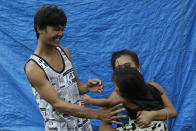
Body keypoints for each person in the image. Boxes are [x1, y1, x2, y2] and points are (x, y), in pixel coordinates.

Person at [24, 5, 125, 131]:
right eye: (56, 29)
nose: (60, 34)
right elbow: (58, 104)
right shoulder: (34, 67)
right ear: (39, 28)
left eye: (62, 29)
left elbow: (75, 85)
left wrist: (86, 86)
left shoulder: (64, 52)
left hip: (82, 124)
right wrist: (97, 114)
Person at [80, 49, 177, 130]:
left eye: (127, 66)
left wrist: (152, 115)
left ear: (138, 66)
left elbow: (172, 112)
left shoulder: (154, 87)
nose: (124, 71)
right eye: (119, 69)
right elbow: (104, 127)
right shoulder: (115, 97)